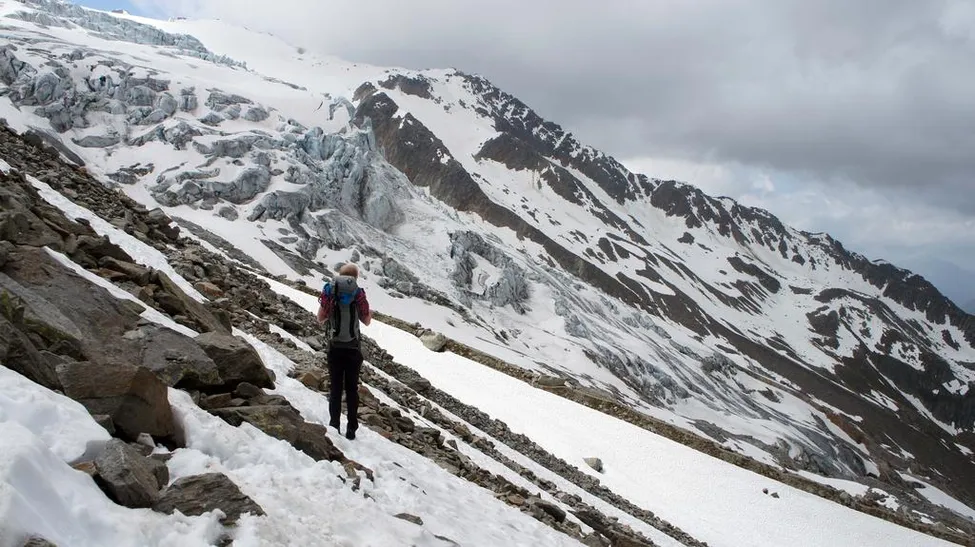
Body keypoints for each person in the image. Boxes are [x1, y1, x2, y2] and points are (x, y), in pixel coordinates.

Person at [317, 263, 372, 440]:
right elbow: (366, 321)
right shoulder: (358, 292)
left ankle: (334, 424)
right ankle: (351, 428)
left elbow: (320, 318)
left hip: (334, 346)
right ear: (355, 277)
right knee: (351, 388)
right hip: (353, 347)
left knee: (335, 387)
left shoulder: (330, 290)